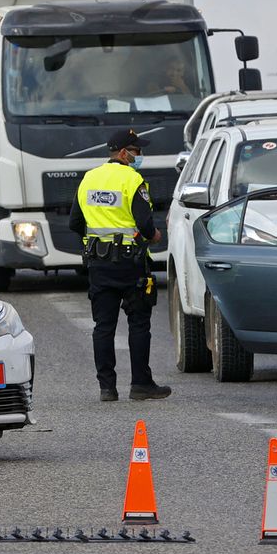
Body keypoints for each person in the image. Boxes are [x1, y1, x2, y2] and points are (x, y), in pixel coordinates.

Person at [69, 129, 171, 403]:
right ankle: (140, 385)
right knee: (138, 323)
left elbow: (74, 223)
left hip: (99, 263)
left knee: (103, 325)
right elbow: (145, 223)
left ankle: (107, 387)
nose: (140, 156)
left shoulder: (89, 178)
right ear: (124, 153)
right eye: (137, 151)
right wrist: (154, 236)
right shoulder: (132, 178)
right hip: (131, 263)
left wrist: (96, 239)